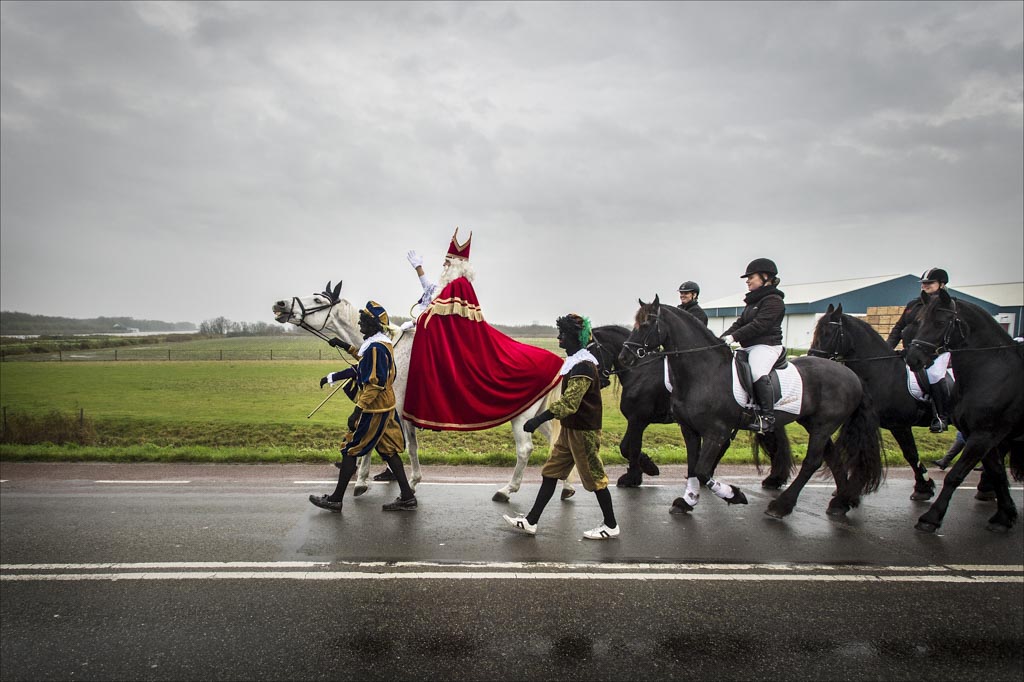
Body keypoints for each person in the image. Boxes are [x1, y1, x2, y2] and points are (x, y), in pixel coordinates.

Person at [402, 229, 564, 431]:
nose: (443, 266)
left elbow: (436, 315)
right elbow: (433, 295)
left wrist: (417, 320)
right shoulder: (454, 284)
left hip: (462, 346)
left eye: (447, 262)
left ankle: (432, 409)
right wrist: (419, 269)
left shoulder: (457, 286)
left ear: (455, 265)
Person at [503, 314, 619, 540]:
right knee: (551, 473)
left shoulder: (583, 367)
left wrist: (537, 420)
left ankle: (611, 525)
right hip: (569, 430)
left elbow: (570, 404)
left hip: (583, 432)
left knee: (595, 478)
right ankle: (531, 521)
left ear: (576, 338)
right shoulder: (576, 363)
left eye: (563, 335)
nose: (559, 339)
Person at [309, 301, 418, 513]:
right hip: (385, 407)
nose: (359, 326)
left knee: (350, 450)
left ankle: (336, 499)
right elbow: (363, 361)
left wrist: (357, 410)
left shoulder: (377, 347)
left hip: (373, 410)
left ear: (373, 324)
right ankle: (407, 496)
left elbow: (375, 382)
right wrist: (342, 345)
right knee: (388, 452)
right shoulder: (381, 344)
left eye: (362, 323)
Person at [720, 258, 786, 434]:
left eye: (751, 277)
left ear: (765, 277)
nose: (747, 281)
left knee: (757, 372)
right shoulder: (753, 302)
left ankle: (767, 417)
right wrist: (722, 339)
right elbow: (740, 323)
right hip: (748, 347)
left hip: (767, 346)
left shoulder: (774, 301)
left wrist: (733, 337)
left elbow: (759, 325)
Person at [886, 267, 952, 432]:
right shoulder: (913, 304)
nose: (925, 285)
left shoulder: (946, 304)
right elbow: (899, 327)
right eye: (923, 283)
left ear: (942, 284)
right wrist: (887, 348)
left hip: (936, 353)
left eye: (930, 283)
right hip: (912, 351)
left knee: (934, 374)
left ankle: (941, 416)